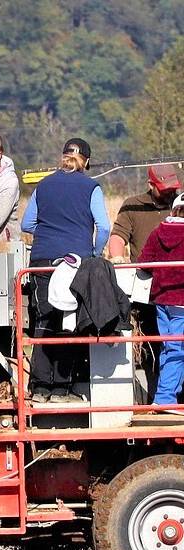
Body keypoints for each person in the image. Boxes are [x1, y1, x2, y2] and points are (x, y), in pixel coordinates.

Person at [20, 137, 111, 403]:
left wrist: (50, 232)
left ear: (63, 157)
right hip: (74, 262)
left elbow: (27, 224)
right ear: (87, 161)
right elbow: (104, 227)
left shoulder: (44, 185)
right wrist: (94, 252)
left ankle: (39, 389)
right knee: (69, 321)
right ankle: (62, 389)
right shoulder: (91, 187)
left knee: (43, 320)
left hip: (42, 261)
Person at [109, 164, 181, 401]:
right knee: (157, 348)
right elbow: (118, 237)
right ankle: (159, 397)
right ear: (151, 185)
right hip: (146, 292)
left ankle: (168, 397)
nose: (169, 192)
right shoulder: (133, 206)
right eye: (164, 188)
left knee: (173, 347)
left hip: (170, 293)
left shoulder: (178, 206)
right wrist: (117, 258)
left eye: (172, 188)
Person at [137, 193, 184, 412]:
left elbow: (144, 263)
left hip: (161, 300)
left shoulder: (158, 231)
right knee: (177, 349)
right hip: (181, 300)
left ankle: (165, 396)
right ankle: (166, 398)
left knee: (168, 347)